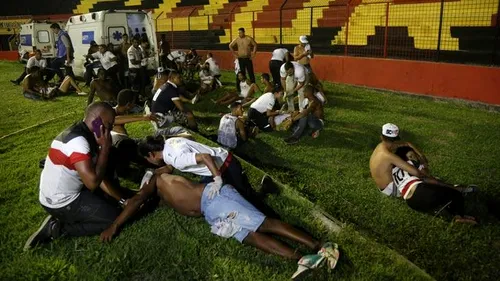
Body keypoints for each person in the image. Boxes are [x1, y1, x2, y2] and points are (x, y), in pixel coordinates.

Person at [99, 173, 340, 280]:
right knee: (252, 238)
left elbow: (136, 201)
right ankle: (302, 259)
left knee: (264, 224)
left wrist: (115, 225)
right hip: (213, 215)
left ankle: (320, 245)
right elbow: (140, 203)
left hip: (216, 199)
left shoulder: (158, 178)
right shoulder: (161, 195)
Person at [24, 102, 130, 250]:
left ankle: (63, 219)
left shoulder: (82, 132)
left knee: (111, 200)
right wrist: (105, 148)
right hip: (61, 202)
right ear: (97, 121)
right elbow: (93, 182)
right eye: (109, 124)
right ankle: (58, 228)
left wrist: (121, 199)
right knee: (112, 218)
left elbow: (98, 177)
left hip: (65, 191)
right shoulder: (78, 142)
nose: (111, 129)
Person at [392, 146, 477, 224]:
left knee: (441, 198)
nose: (414, 157)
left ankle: (450, 215)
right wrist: (423, 165)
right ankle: (459, 216)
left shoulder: (394, 170)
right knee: (454, 194)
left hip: (410, 202)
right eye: (411, 155)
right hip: (419, 190)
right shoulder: (410, 163)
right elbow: (429, 177)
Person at [369, 123, 430, 197]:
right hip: (391, 190)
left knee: (406, 155)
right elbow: (416, 173)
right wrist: (422, 165)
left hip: (384, 187)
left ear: (381, 137)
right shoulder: (388, 155)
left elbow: (407, 144)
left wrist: (421, 155)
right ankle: (430, 178)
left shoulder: (380, 146)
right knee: (411, 162)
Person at [22, 66, 87, 100]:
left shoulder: (37, 79)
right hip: (57, 91)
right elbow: (28, 89)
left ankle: (75, 89)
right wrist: (42, 94)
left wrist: (49, 85)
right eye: (37, 72)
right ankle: (79, 91)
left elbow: (43, 85)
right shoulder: (28, 78)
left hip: (54, 90)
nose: (39, 73)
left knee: (66, 79)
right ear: (33, 72)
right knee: (68, 78)